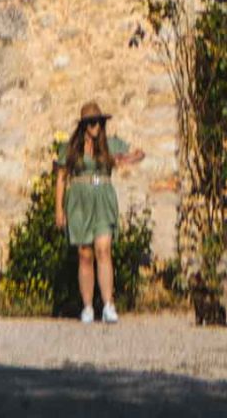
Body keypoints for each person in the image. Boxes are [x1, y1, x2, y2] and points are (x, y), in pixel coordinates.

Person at [54, 98, 144, 324]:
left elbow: (139, 153)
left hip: (102, 196)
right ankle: (87, 307)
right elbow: (61, 177)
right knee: (85, 254)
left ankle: (108, 304)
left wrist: (127, 159)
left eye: (98, 122)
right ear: (84, 125)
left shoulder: (110, 144)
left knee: (103, 249)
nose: (95, 127)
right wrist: (59, 210)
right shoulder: (71, 148)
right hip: (79, 201)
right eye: (91, 123)